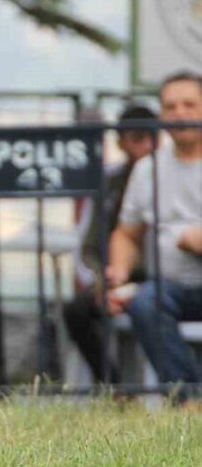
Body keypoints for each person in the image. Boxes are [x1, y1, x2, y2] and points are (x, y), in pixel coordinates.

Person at [107, 71, 202, 388]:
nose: (180, 114)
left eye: (190, 104)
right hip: (168, 287)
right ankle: (186, 397)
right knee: (145, 302)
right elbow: (127, 233)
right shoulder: (148, 168)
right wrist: (119, 271)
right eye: (171, 106)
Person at [63, 105, 157, 383]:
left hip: (160, 280)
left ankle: (175, 393)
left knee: (153, 304)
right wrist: (101, 283)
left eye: (151, 136)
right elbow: (87, 244)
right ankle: (114, 387)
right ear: (121, 142)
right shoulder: (107, 183)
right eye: (137, 137)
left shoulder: (170, 177)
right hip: (115, 278)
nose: (146, 145)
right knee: (76, 311)